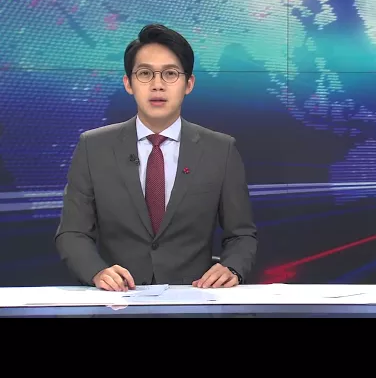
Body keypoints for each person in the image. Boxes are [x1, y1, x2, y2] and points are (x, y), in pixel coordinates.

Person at [55, 23, 257, 291]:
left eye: (170, 74)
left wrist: (232, 267)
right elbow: (72, 232)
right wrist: (97, 272)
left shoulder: (220, 150)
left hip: (194, 298)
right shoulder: (93, 147)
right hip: (118, 300)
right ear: (128, 83)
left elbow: (241, 235)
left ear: (189, 84)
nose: (157, 85)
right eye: (145, 74)